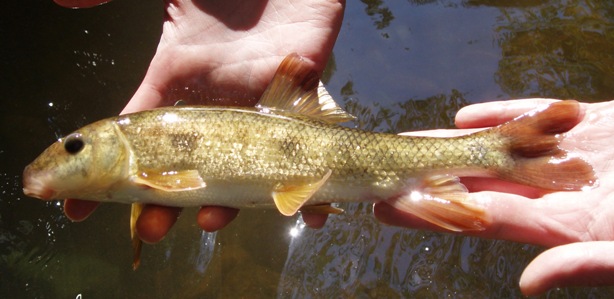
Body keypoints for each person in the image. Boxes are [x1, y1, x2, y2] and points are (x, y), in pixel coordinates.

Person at [54, 0, 614, 296]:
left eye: (74, 146)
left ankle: (498, 152)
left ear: (107, 144)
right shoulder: (133, 167)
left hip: (306, 145)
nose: (65, 157)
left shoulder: (137, 153)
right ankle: (494, 153)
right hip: (300, 144)